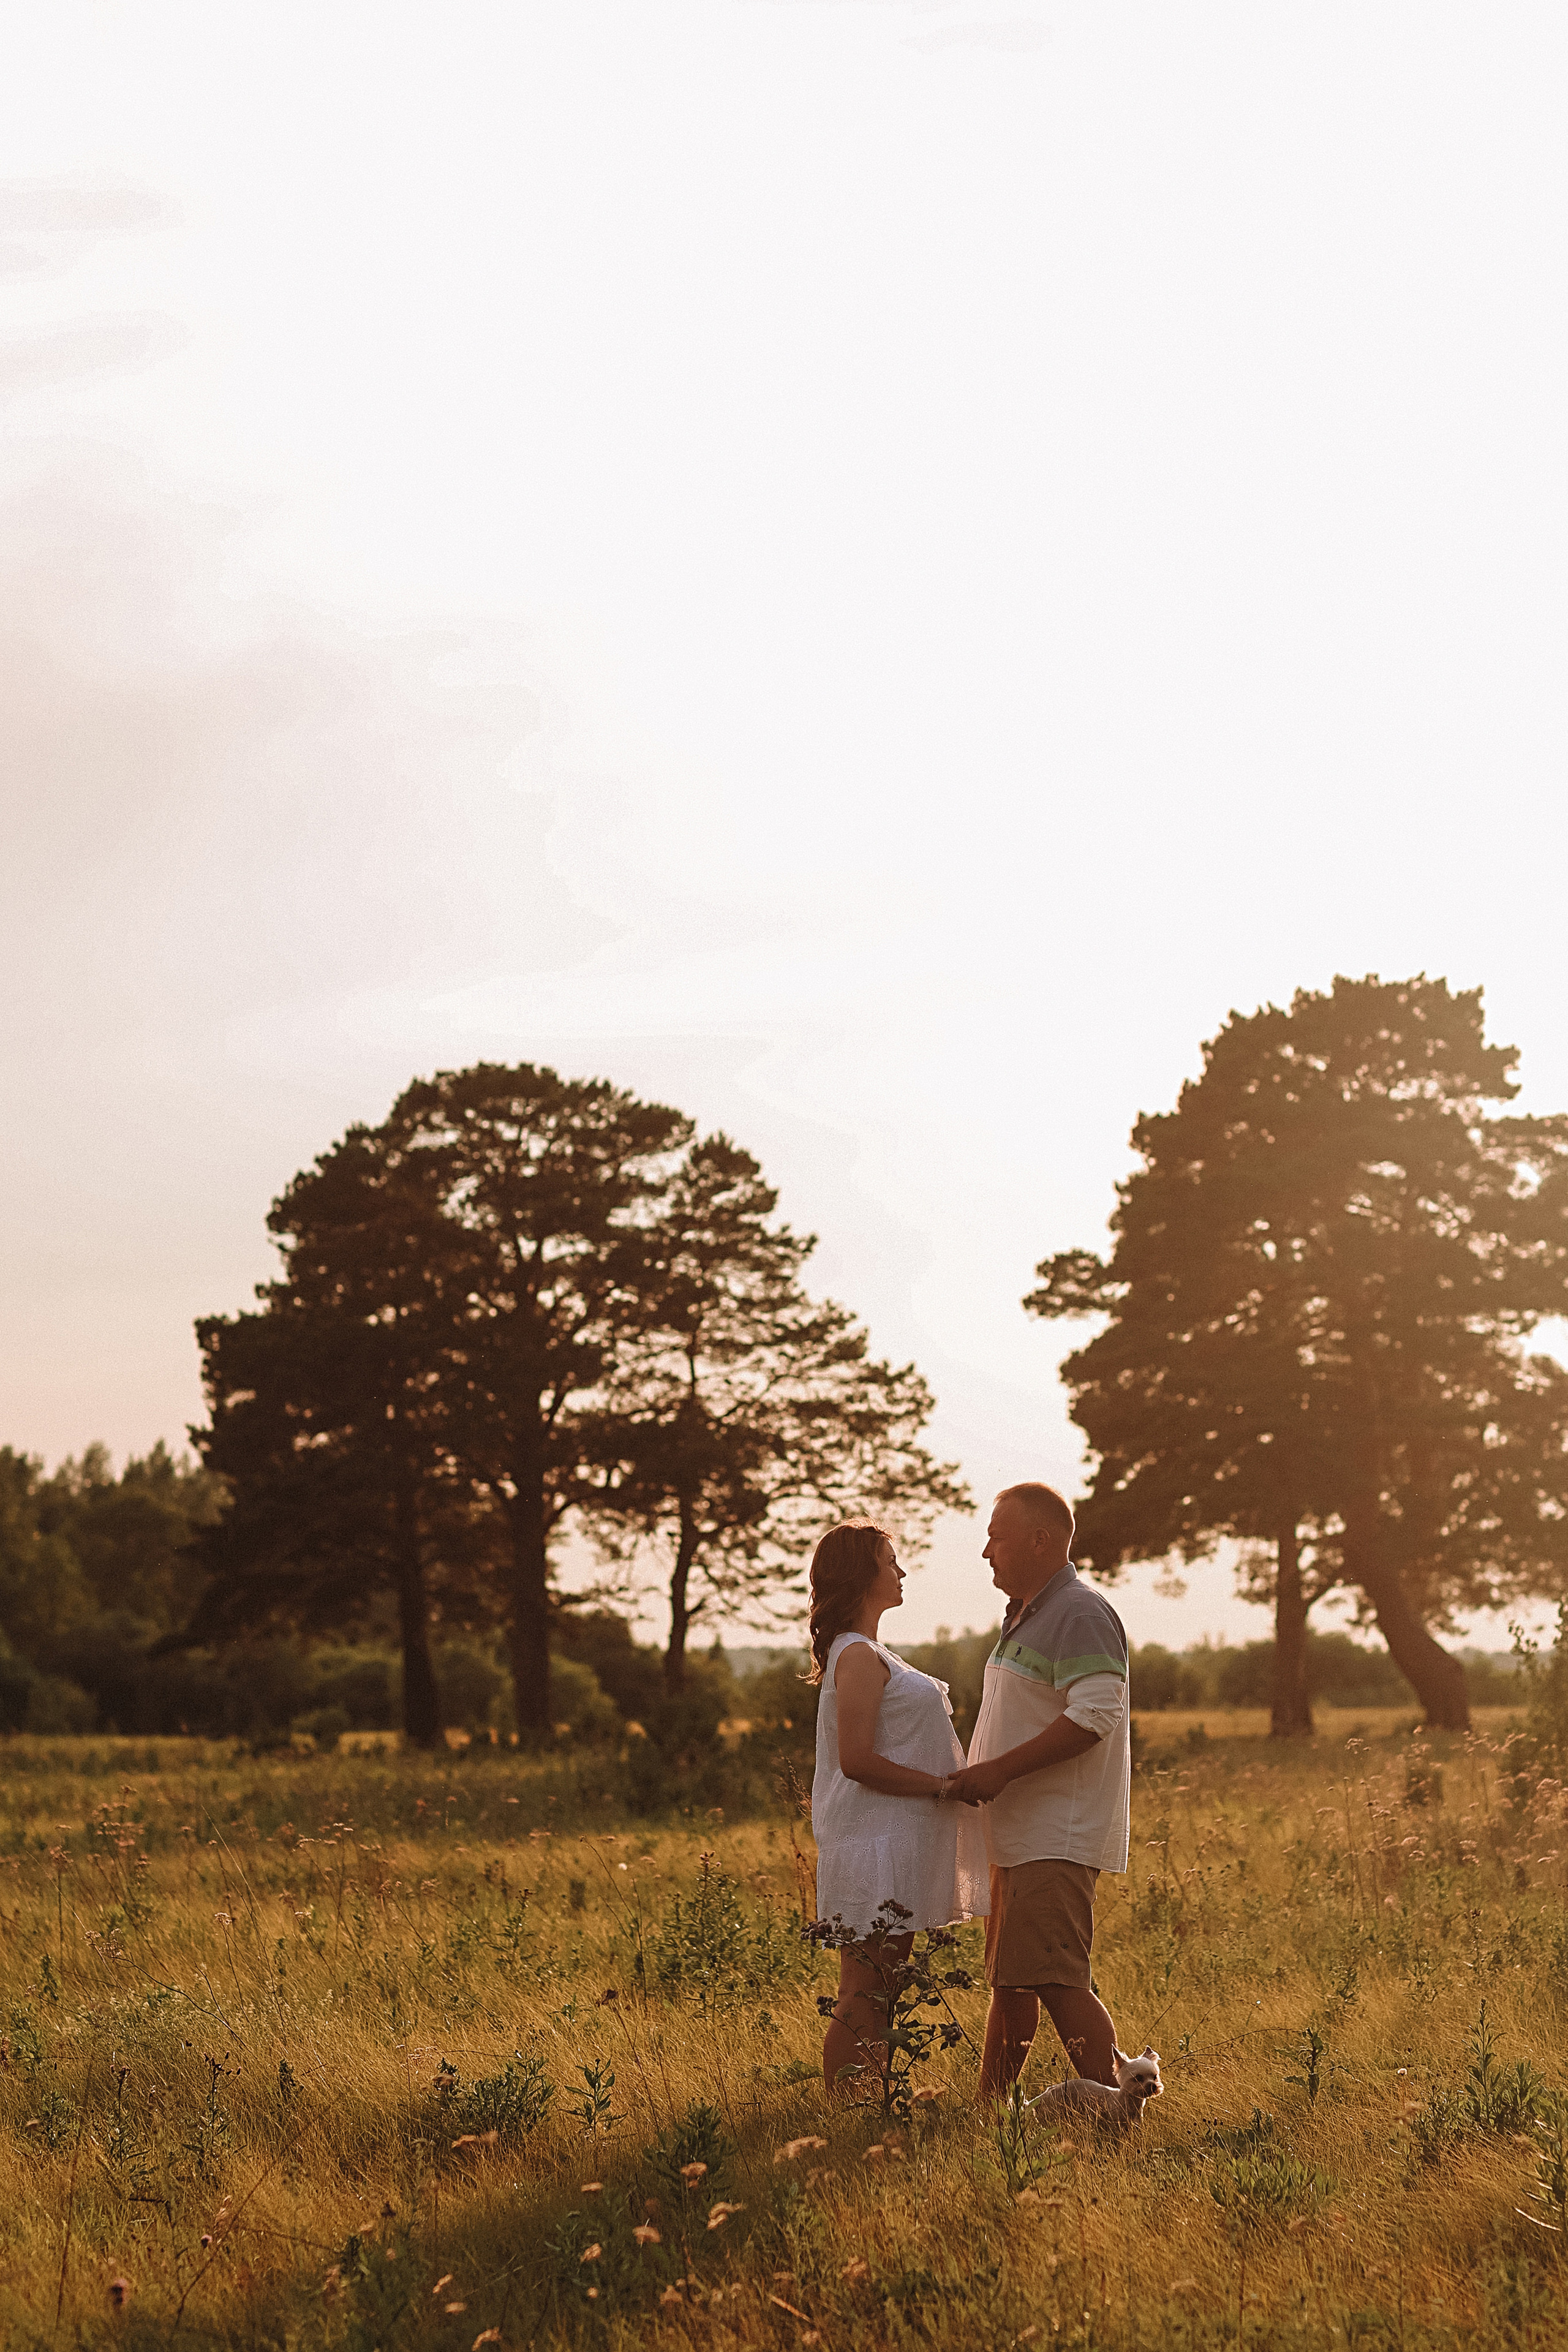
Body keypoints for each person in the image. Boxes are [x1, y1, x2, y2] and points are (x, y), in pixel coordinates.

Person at [947, 1482, 1131, 2100]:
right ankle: (992, 2115)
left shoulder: (1079, 1611)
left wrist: (999, 1771)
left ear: (1039, 1540)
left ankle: (1117, 2115)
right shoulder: (1028, 1613)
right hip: (1019, 1836)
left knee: (1056, 1980)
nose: (986, 1552)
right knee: (1014, 1982)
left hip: (1055, 1834)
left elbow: (1095, 1714)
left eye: (996, 1537)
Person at [807, 1519, 988, 2097]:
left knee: (883, 1984)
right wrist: (942, 1786)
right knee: (864, 1988)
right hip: (872, 1847)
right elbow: (856, 1760)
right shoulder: (857, 1655)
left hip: (891, 1842)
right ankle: (848, 2105)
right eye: (891, 1561)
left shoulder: (867, 1650)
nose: (902, 1571)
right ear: (863, 1576)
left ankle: (869, 2099)